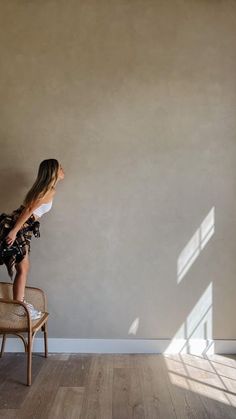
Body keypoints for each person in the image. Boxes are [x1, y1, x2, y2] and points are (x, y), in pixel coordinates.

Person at [0, 159, 65, 319]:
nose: (63, 170)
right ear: (53, 171)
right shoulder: (48, 190)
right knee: (23, 269)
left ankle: (19, 305)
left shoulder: (46, 189)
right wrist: (14, 231)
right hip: (20, 227)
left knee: (23, 268)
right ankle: (20, 307)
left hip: (23, 227)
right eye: (60, 167)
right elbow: (29, 210)